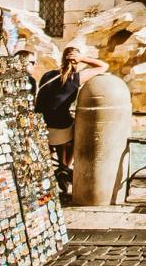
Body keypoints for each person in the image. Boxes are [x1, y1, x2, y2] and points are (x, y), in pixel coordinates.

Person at [33, 47, 108, 177]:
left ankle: (61, 164)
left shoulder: (48, 75)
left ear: (63, 58)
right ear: (76, 60)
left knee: (66, 121)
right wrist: (83, 58)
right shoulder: (76, 77)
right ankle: (66, 166)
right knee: (80, 130)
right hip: (59, 127)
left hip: (41, 124)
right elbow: (104, 66)